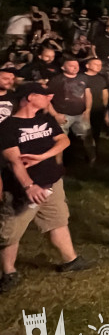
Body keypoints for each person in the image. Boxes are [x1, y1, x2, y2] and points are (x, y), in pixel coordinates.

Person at [0, 83, 90, 292]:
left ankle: (70, 260)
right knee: (10, 232)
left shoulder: (46, 119)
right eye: (44, 94)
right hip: (22, 190)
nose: (50, 97)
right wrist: (29, 186)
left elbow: (63, 140)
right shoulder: (8, 127)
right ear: (31, 97)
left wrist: (42, 156)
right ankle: (8, 273)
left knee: (57, 221)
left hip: (52, 183)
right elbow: (14, 162)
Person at [47, 58, 96, 164]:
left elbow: (88, 94)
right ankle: (58, 166)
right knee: (59, 142)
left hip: (81, 114)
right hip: (63, 115)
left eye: (77, 65)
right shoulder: (56, 80)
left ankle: (92, 160)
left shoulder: (83, 78)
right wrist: (55, 115)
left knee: (87, 138)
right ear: (63, 67)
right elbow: (46, 99)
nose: (75, 67)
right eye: (71, 65)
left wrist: (87, 110)